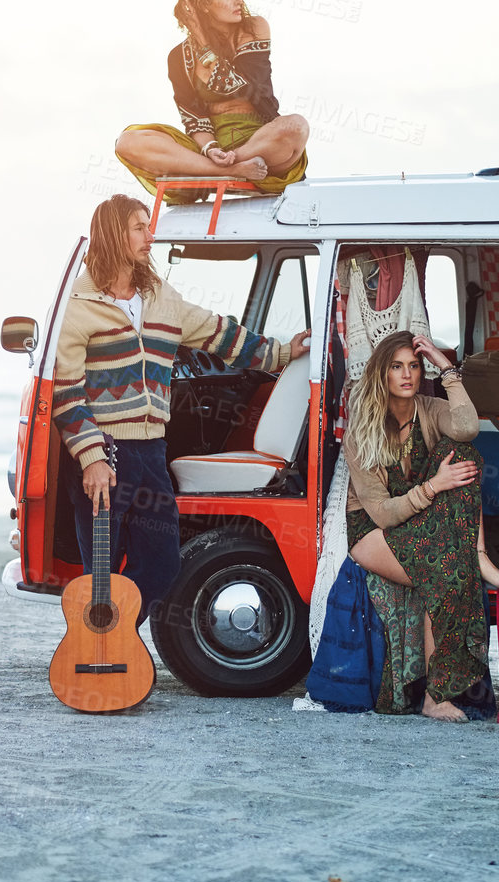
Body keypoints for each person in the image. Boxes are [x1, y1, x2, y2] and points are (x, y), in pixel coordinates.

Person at [53, 194, 311, 622]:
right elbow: (66, 393)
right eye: (139, 227)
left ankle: (112, 635)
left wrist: (280, 354)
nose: (148, 236)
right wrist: (92, 459)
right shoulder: (79, 308)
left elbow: (215, 332)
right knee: (99, 565)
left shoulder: (160, 297)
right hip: (104, 453)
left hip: (152, 451)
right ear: (114, 235)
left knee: (162, 564)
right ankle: (98, 645)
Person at [343, 331, 499, 721]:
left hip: (422, 519)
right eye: (397, 367)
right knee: (445, 576)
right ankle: (434, 697)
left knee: (463, 452)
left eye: (414, 365)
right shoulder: (362, 429)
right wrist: (432, 486)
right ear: (382, 373)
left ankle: (479, 556)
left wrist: (447, 369)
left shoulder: (430, 406)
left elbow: (467, 427)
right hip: (374, 531)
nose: (407, 375)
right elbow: (382, 513)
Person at [114, 0, 309, 202]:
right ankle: (226, 171)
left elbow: (244, 86)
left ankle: (217, 167)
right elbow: (192, 116)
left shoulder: (254, 28)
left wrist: (204, 42)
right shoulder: (178, 57)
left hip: (260, 143)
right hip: (209, 151)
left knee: (295, 126)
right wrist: (210, 149)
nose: (238, 0)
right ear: (203, 5)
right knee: (128, 141)